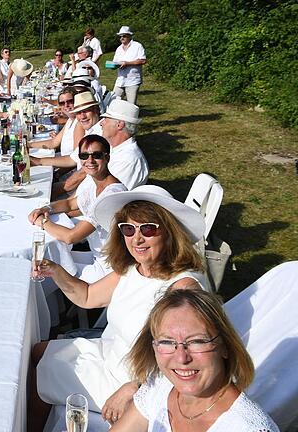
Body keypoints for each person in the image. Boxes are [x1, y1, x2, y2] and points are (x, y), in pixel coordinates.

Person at [28, 185, 208, 429]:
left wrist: (135, 387)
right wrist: (55, 270)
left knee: (42, 373)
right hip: (109, 354)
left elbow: (185, 359)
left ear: (169, 232)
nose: (137, 238)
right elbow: (88, 296)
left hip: (136, 379)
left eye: (147, 228)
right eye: (128, 229)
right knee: (36, 351)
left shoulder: (183, 288)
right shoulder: (135, 269)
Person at [112, 289, 278, 431]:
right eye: (167, 342)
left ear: (225, 347)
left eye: (197, 341)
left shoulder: (248, 428)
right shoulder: (161, 386)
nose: (182, 358)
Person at [28, 135, 127, 283]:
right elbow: (70, 204)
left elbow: (71, 237)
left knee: (40, 271)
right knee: (42, 259)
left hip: (111, 268)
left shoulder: (110, 195)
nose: (90, 161)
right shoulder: (96, 183)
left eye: (97, 155)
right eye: (84, 155)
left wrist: (42, 222)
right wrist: (45, 208)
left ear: (107, 158)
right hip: (97, 255)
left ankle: (77, 303)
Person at [28, 87, 83, 156]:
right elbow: (53, 143)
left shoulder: (79, 123)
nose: (66, 105)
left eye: (70, 101)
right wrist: (28, 145)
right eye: (62, 103)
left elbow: (75, 159)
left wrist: (38, 162)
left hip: (67, 164)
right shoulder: (70, 120)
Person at [112, 26, 146, 105]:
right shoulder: (119, 49)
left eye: (124, 36)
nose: (122, 38)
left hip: (132, 80)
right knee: (113, 101)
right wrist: (114, 65)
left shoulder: (137, 46)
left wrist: (127, 63)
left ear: (129, 36)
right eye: (120, 36)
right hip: (120, 79)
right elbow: (115, 62)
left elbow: (143, 60)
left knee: (131, 104)